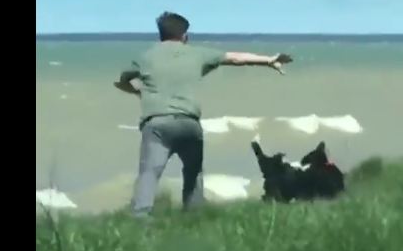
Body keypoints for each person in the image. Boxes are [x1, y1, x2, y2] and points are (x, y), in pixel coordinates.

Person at [114, 11, 293, 217]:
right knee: (193, 173)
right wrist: (269, 60)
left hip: (157, 125)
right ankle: (193, 214)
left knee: (149, 174)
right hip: (189, 125)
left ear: (160, 35)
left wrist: (138, 92)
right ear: (185, 36)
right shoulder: (197, 53)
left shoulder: (145, 57)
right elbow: (235, 58)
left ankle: (140, 218)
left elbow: (122, 80)